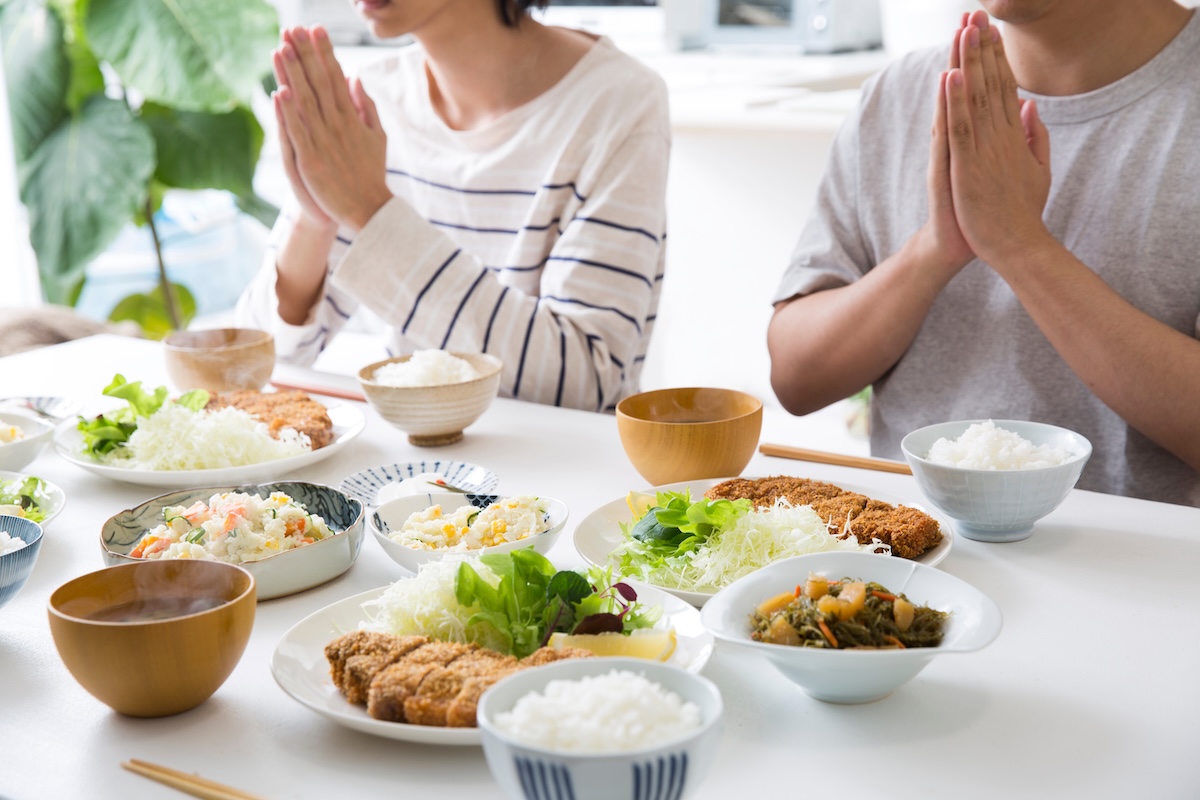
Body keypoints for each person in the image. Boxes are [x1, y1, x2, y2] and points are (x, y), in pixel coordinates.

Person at [767, 1, 1200, 506]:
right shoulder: (897, 95)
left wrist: (1019, 245)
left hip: (1145, 576)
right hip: (909, 569)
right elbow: (796, 379)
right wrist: (933, 250)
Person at [237, 0, 669, 412]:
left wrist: (370, 212)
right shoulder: (371, 99)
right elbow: (250, 363)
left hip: (561, 477)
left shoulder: (619, 102)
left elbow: (583, 384)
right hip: (414, 473)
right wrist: (316, 219)